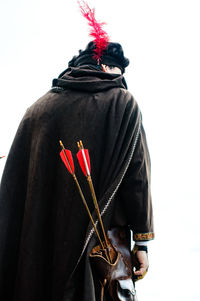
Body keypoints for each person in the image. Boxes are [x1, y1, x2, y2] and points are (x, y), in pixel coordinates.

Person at [0, 41, 154, 300]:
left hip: (35, 254)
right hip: (97, 252)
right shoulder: (123, 104)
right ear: (105, 66)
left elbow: (11, 192)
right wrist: (142, 241)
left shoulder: (37, 110)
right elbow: (137, 179)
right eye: (120, 73)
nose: (122, 81)